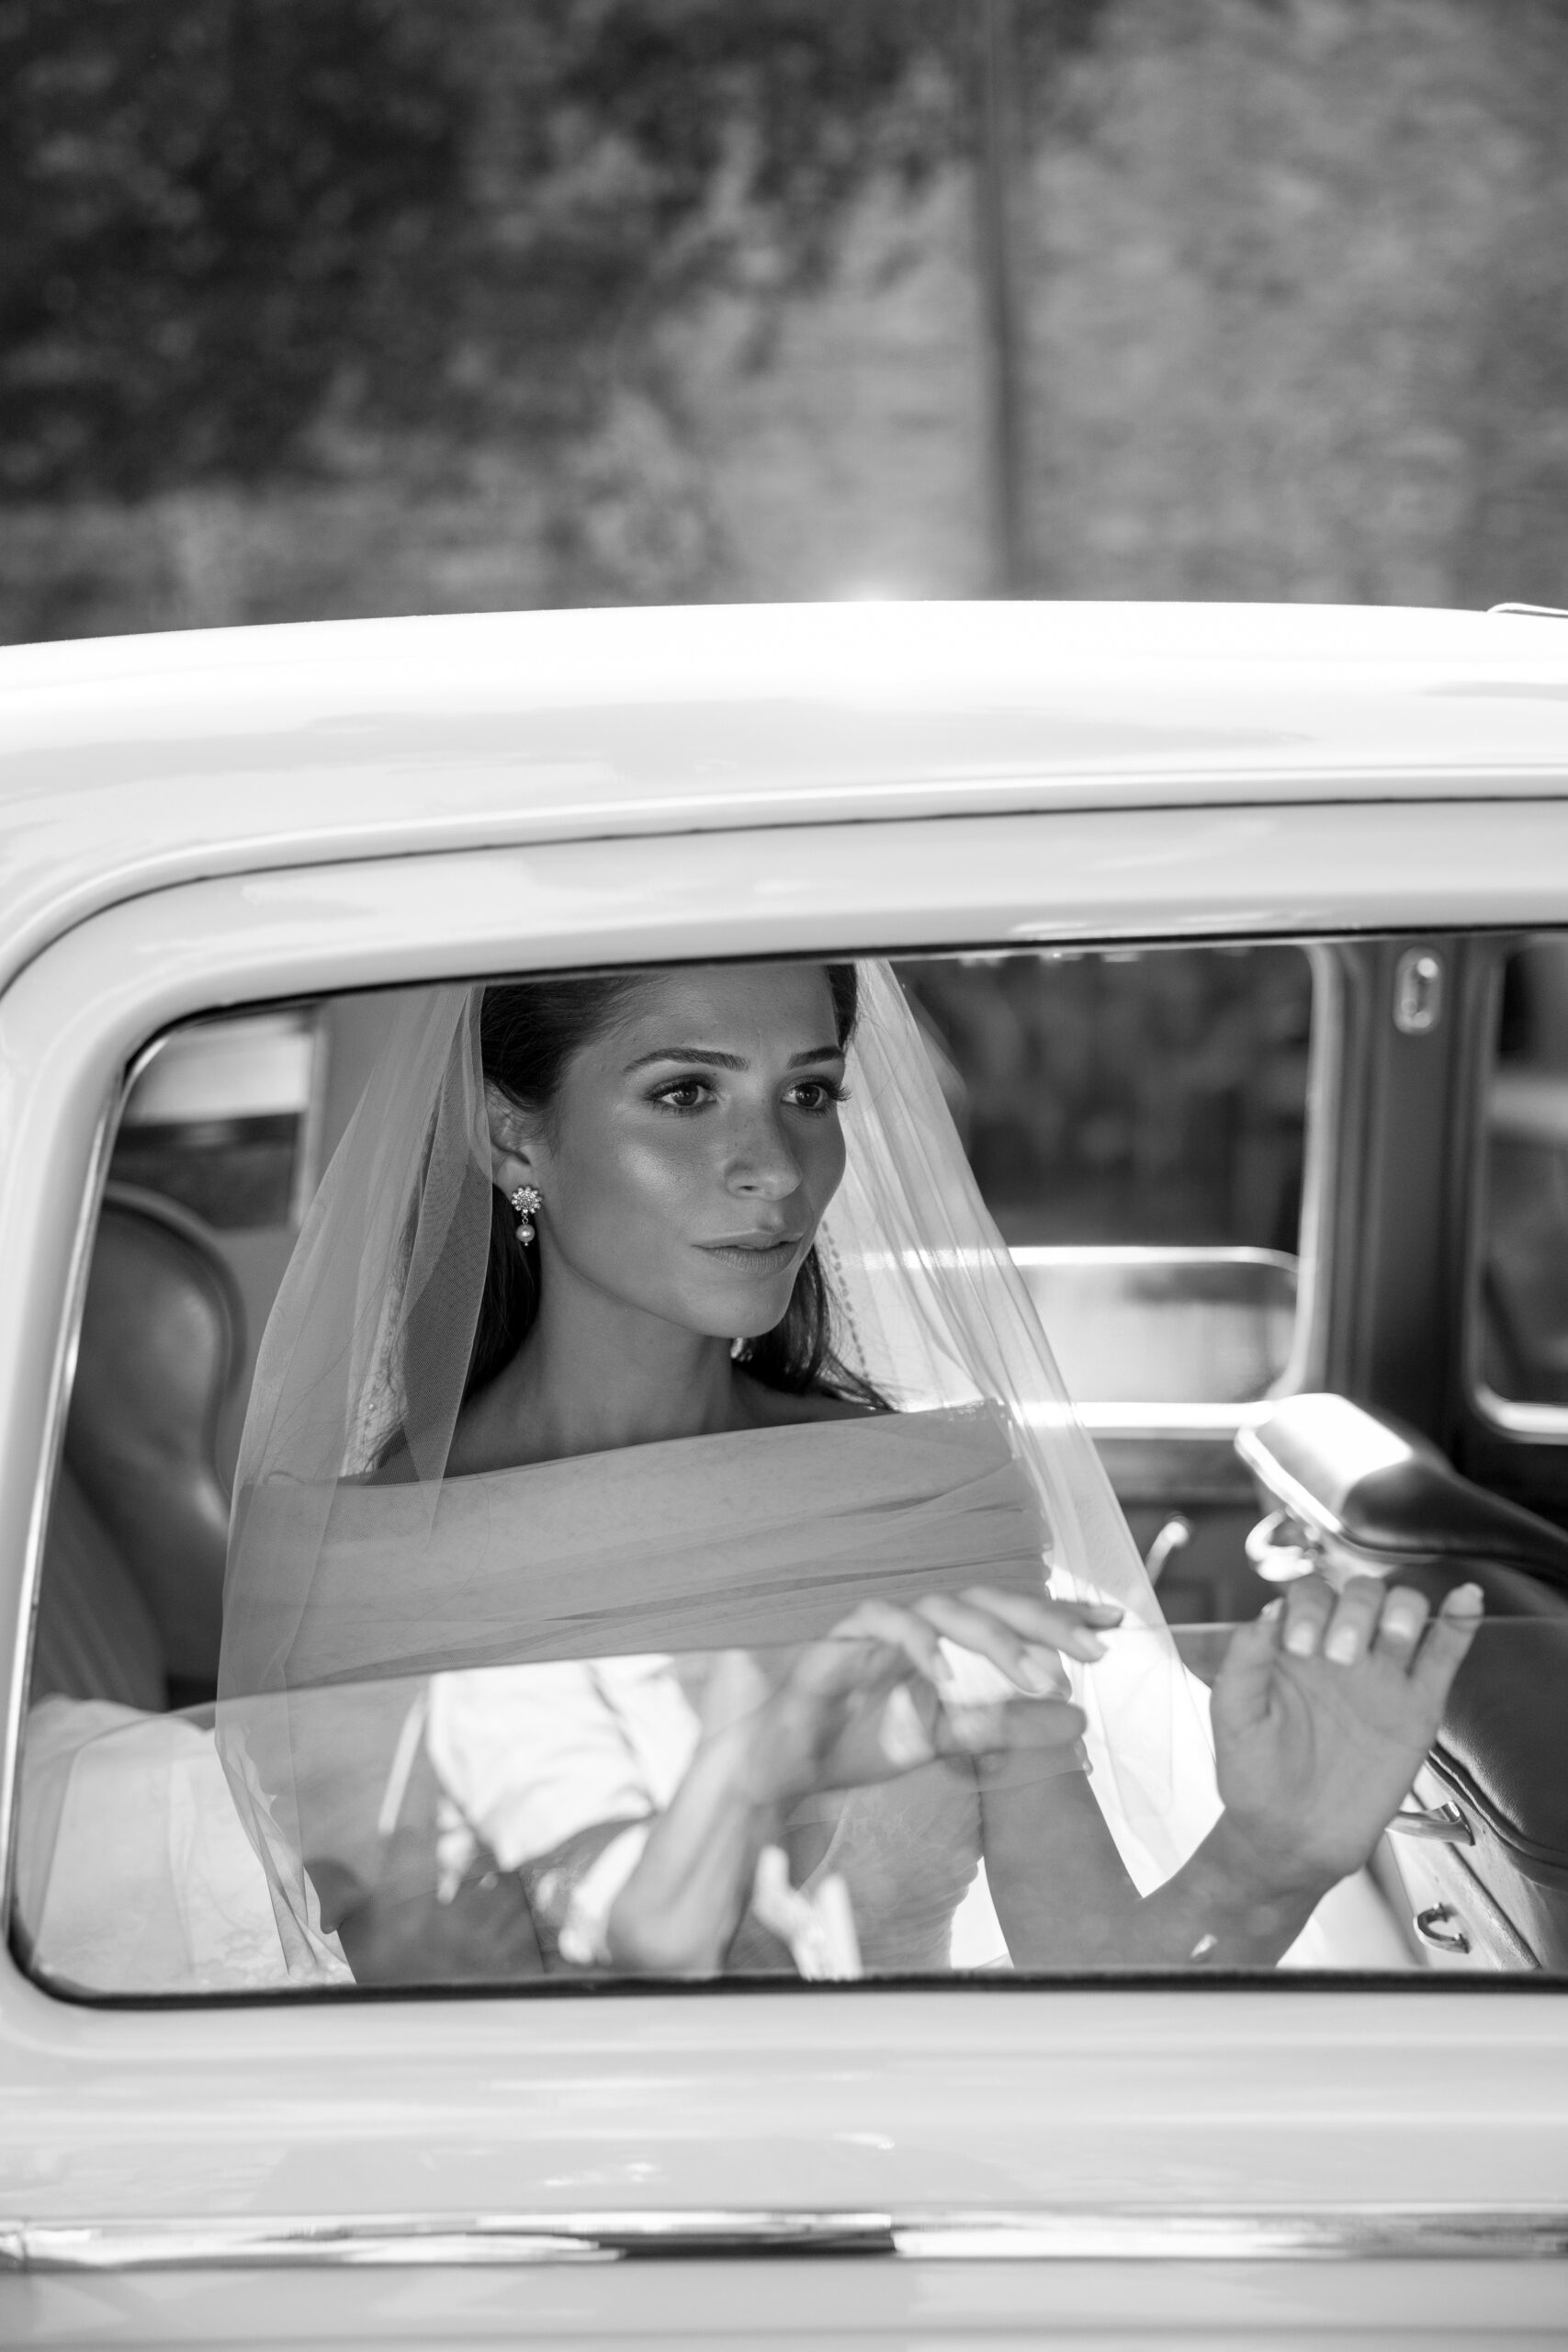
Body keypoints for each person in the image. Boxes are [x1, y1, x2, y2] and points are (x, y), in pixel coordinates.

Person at [217, 959, 1481, 1984]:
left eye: (810, 1093)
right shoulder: (357, 1567)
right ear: (513, 1138)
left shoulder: (922, 1498)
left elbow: (1093, 1988)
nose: (778, 1166)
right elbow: (436, 2055)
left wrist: (1273, 1858)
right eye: (686, 1094)